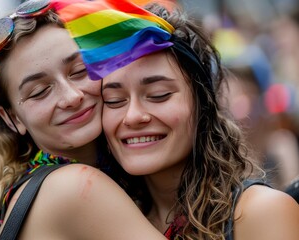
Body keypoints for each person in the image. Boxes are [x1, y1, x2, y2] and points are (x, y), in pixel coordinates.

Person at [65, 1, 299, 239]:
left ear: (202, 104)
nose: (133, 116)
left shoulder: (261, 212)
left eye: (159, 95)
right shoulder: (97, 220)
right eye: (114, 100)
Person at [0, 0, 169, 239]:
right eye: (39, 91)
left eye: (79, 71)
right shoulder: (74, 186)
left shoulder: (34, 186)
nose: (71, 97)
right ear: (12, 118)